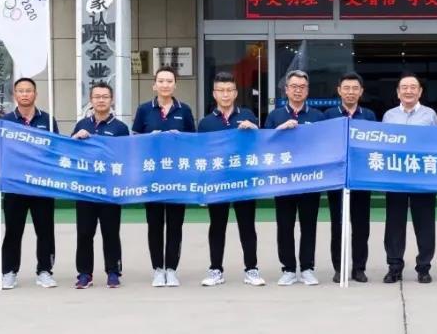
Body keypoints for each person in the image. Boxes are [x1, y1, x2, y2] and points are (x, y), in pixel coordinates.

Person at [197, 72, 265, 288]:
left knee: (247, 226)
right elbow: (201, 154)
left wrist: (254, 129)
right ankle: (215, 269)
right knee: (217, 226)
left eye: (229, 90)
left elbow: (261, 144)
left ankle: (252, 269)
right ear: (214, 94)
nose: (225, 95)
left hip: (244, 181)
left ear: (235, 93)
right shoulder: (206, 123)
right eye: (221, 90)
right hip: (217, 182)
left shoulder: (247, 116)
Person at [131, 66, 196, 287]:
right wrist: (150, 137)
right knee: (155, 224)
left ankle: (172, 269)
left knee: (175, 225)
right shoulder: (144, 110)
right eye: (161, 81)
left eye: (169, 81)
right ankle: (158, 269)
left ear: (175, 85)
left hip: (177, 176)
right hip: (153, 177)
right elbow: (134, 140)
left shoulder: (184, 110)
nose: (165, 85)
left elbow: (193, 141)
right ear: (154, 85)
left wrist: (181, 138)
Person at [265, 69, 326, 286]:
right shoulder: (275, 116)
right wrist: (280, 129)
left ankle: (308, 268)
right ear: (286, 90)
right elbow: (265, 144)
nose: (297, 90)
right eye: (294, 87)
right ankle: (288, 268)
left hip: (310, 180)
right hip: (284, 181)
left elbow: (324, 144)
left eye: (302, 87)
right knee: (285, 226)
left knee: (309, 226)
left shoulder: (318, 116)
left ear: (307, 91)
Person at [0, 77, 60, 290]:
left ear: (35, 94)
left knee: (45, 230)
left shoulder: (48, 120)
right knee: (13, 231)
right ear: (14, 94)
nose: (25, 94)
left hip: (42, 184)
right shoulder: (6, 121)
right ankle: (9, 272)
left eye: (28, 91)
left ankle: (45, 271)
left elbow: (56, 148)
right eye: (20, 91)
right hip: (15, 185)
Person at [381, 71, 437, 284]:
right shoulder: (389, 116)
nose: (409, 91)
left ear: (420, 91)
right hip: (396, 177)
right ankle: (394, 267)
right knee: (394, 224)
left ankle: (424, 267)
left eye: (413, 87)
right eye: (404, 87)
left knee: (425, 224)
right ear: (398, 92)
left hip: (422, 178)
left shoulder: (430, 115)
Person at [71, 82, 130, 289]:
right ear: (91, 100)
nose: (101, 100)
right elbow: (70, 153)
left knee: (111, 232)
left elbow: (126, 157)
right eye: (97, 96)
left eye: (105, 96)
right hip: (86, 189)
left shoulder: (120, 128)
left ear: (111, 100)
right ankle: (84, 273)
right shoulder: (81, 125)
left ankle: (113, 271)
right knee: (84, 233)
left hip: (110, 190)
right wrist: (75, 139)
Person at [323, 72, 377, 283]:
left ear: (361, 91)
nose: (350, 92)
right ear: (339, 91)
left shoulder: (369, 116)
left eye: (355, 88)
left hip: (361, 179)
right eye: (346, 88)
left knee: (361, 226)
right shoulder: (328, 115)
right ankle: (339, 268)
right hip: (336, 179)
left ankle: (359, 268)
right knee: (338, 225)